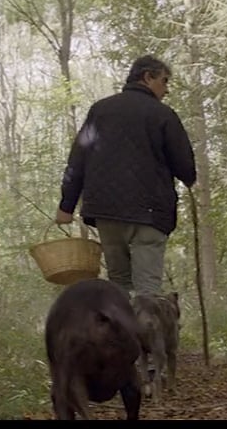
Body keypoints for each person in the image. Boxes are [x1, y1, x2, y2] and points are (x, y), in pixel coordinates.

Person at [56, 54, 197, 298]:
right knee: (147, 291)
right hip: (151, 213)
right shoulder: (162, 114)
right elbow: (185, 166)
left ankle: (121, 334)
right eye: (164, 81)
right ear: (147, 77)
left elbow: (77, 159)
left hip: (106, 212)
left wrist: (66, 206)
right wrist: (191, 181)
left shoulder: (100, 111)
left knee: (119, 286)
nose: (166, 89)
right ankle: (147, 333)